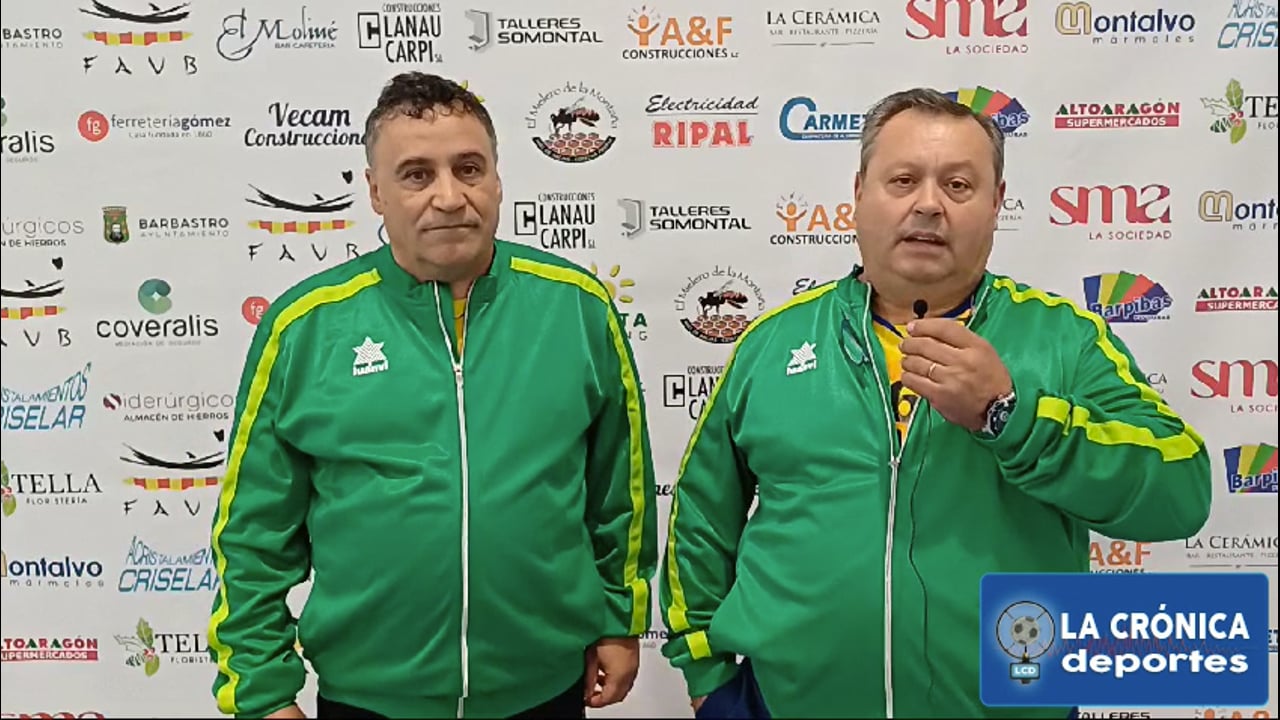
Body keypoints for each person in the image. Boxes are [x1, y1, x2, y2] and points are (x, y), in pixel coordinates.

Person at [658, 88, 1212, 719]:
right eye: (903, 180)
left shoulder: (1064, 339)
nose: (928, 204)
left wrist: (1009, 415)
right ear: (859, 192)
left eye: (957, 185)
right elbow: (702, 515)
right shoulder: (773, 341)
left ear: (997, 203)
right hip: (783, 705)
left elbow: (1182, 490)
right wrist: (706, 674)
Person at [206, 72, 658, 719]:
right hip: (368, 701)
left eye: (469, 169)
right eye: (417, 175)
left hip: (542, 692)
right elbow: (252, 534)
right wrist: (260, 690)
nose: (449, 197)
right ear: (375, 192)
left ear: (497, 180)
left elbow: (620, 492)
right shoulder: (305, 327)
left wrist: (619, 620)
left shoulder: (576, 307)